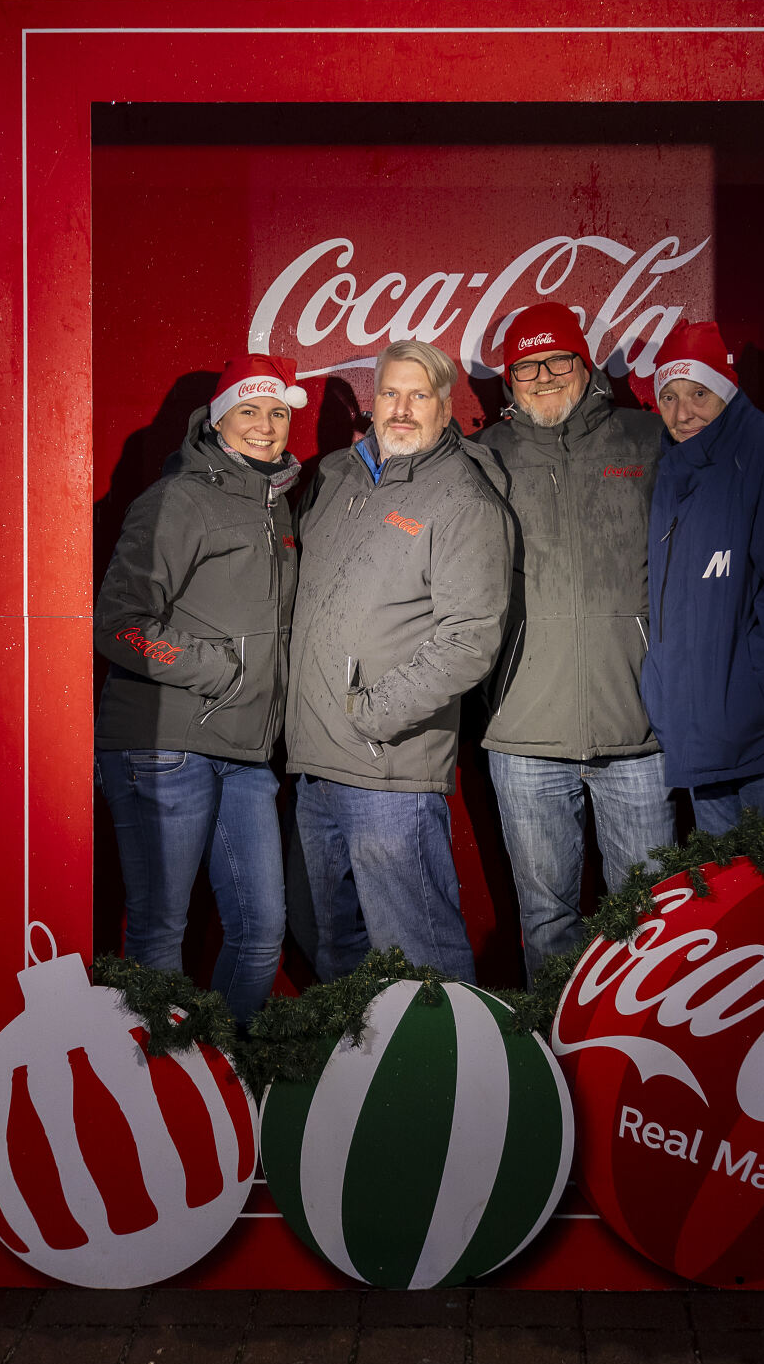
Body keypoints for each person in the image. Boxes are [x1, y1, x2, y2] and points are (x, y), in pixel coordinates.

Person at [285, 339, 513, 982]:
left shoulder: (462, 499)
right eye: (390, 393)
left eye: (420, 396)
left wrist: (372, 714)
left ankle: (454, 1081)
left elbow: (470, 636)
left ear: (446, 409)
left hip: (389, 769)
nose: (402, 410)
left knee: (419, 958)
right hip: (312, 766)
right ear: (373, 403)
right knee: (329, 951)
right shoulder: (333, 478)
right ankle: (362, 1079)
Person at [94, 354, 306, 1025]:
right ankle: (150, 1092)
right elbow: (119, 625)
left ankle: (216, 1071)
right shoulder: (179, 498)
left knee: (260, 931)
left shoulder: (278, 505)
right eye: (249, 411)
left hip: (245, 751)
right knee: (160, 931)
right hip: (166, 744)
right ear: (217, 422)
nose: (265, 426)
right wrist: (221, 670)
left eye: (277, 413)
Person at [478, 301, 675, 978]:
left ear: (584, 366)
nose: (542, 376)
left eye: (556, 360)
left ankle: (642, 1067)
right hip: (523, 733)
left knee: (649, 922)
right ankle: (558, 1069)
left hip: (638, 730)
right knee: (548, 925)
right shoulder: (486, 455)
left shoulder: (647, 439)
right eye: (525, 366)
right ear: (509, 380)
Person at [639, 319, 764, 833]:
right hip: (703, 742)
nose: (684, 414)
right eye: (669, 398)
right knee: (731, 907)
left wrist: (753, 698)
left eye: (699, 394)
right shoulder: (671, 469)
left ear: (727, 392)